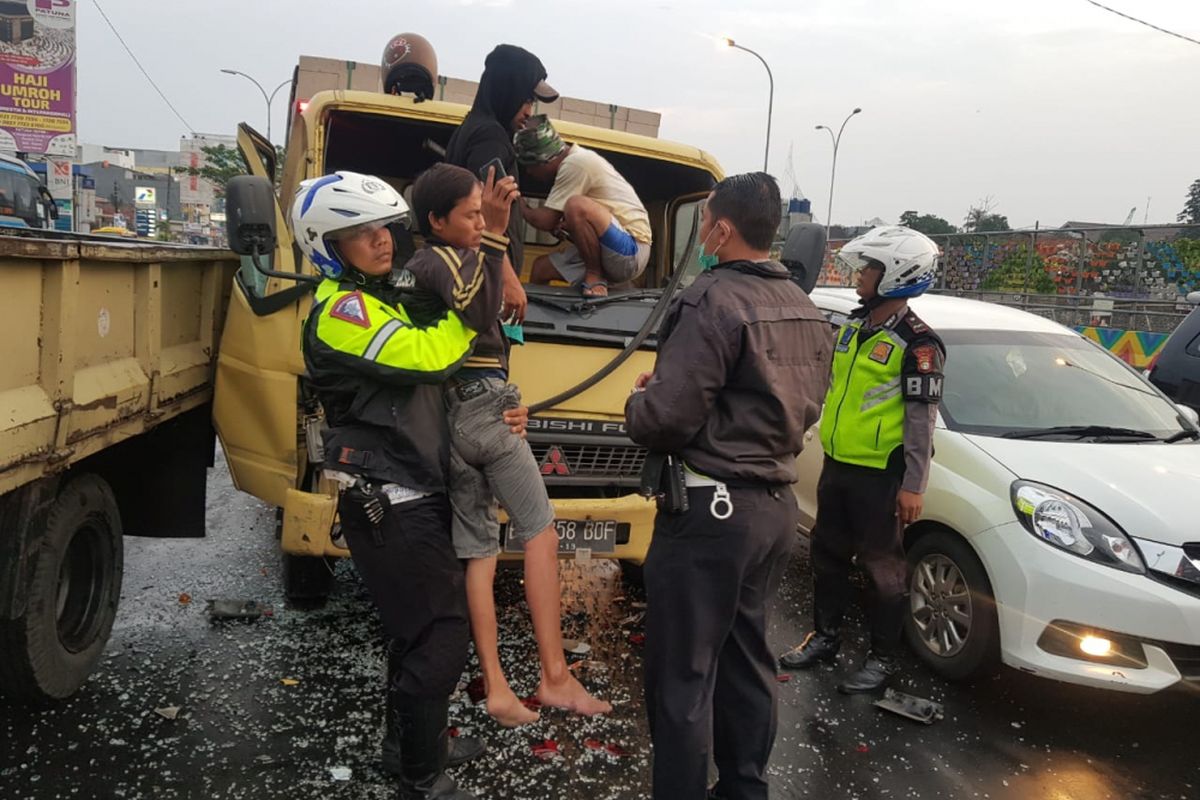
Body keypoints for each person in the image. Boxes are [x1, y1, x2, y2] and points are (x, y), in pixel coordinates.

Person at [295, 171, 526, 800]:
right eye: (358, 233)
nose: (379, 241)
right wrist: (471, 324)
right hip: (387, 496)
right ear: (326, 244)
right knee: (440, 633)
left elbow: (445, 388)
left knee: (414, 630)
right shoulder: (341, 312)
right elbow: (428, 357)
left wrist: (503, 406)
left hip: (416, 487)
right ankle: (423, 781)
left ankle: (410, 748)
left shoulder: (383, 296)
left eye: (381, 227)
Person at [624, 173, 832, 800]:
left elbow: (666, 418)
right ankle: (744, 788)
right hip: (773, 512)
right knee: (747, 661)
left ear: (721, 228)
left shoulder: (711, 300)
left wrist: (640, 402)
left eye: (706, 220)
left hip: (710, 515)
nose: (704, 232)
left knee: (682, 675)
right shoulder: (807, 308)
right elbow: (807, 408)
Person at [401, 162, 611, 727]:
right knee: (541, 531)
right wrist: (495, 239)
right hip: (483, 409)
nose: (479, 222)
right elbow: (473, 312)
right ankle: (554, 677)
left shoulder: (435, 261)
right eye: (469, 215)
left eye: (482, 214)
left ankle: (497, 687)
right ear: (435, 220)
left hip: (463, 417)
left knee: (480, 553)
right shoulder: (439, 260)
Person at [778, 225, 945, 695]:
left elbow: (921, 422)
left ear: (896, 275)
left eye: (868, 269)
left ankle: (881, 657)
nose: (859, 277)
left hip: (881, 477)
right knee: (827, 558)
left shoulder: (919, 345)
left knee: (883, 572)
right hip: (839, 466)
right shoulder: (852, 328)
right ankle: (826, 637)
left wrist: (914, 485)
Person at [445, 43, 558, 324]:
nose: (529, 111)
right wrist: (509, 282)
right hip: (488, 287)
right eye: (526, 100)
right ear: (507, 91)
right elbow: (485, 214)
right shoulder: (491, 138)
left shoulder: (472, 128)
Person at [516, 115, 652, 298]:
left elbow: (546, 221)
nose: (529, 173)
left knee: (576, 206)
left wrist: (520, 205)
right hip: (612, 246)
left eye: (530, 167)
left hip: (631, 250)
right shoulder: (574, 160)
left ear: (543, 160)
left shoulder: (575, 164)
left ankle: (595, 276)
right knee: (541, 268)